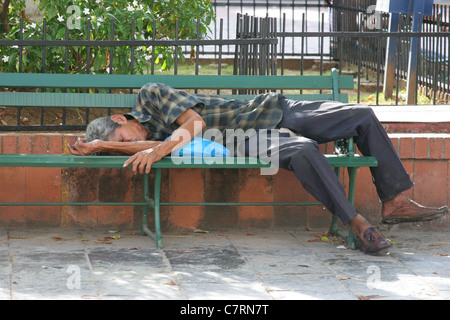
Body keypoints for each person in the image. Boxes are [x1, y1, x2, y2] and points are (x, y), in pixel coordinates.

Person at [68, 82, 448, 255]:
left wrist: (149, 145)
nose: (131, 145)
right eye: (122, 146)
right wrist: (104, 145)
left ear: (121, 117)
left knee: (363, 114)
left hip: (268, 111)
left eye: (122, 137)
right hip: (241, 141)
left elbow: (194, 126)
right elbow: (158, 146)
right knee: (302, 151)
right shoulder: (153, 143)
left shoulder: (150, 95)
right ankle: (357, 224)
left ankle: (394, 200)